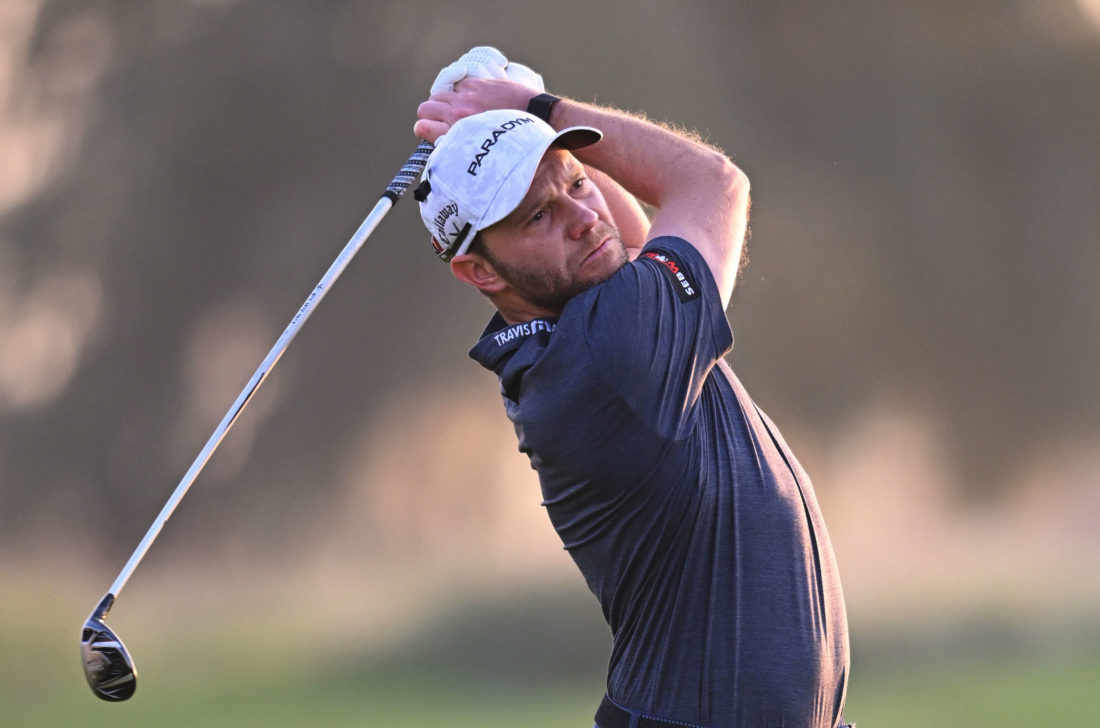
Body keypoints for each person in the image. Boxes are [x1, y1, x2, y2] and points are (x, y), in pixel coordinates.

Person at [412, 48, 853, 728]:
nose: (582, 218)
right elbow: (715, 184)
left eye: (576, 183)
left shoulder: (571, 336)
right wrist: (542, 109)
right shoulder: (608, 352)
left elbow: (634, 241)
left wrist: (523, 120)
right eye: (535, 217)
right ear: (478, 271)